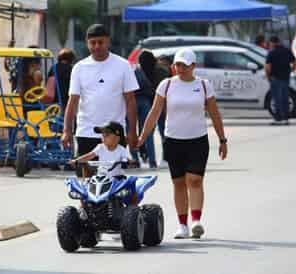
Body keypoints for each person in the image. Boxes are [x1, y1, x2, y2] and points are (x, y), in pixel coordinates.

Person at [137, 48, 228, 239]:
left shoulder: (203, 85)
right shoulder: (166, 85)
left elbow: (214, 113)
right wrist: (143, 136)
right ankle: (182, 225)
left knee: (195, 180)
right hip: (173, 141)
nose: (181, 68)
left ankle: (196, 221)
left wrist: (222, 139)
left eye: (185, 65)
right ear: (173, 66)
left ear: (193, 66)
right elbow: (154, 112)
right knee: (178, 183)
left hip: (197, 140)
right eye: (178, 65)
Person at [62, 24, 139, 163]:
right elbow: (72, 101)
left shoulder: (123, 65)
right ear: (87, 43)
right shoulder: (79, 68)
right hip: (86, 132)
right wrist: (66, 130)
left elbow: (130, 100)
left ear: (108, 41)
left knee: (113, 179)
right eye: (93, 43)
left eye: (100, 42)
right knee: (87, 180)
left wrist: (132, 131)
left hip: (115, 133)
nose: (97, 46)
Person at [69, 121, 138, 205]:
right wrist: (77, 160)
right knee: (84, 187)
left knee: (130, 184)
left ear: (117, 137)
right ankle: (83, 207)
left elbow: (127, 159)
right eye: (102, 135)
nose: (103, 137)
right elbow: (89, 155)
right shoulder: (100, 147)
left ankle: (132, 206)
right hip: (100, 178)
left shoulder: (121, 150)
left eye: (107, 135)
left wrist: (129, 162)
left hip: (117, 178)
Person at [132, 50, 168, 168]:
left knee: (140, 131)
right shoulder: (162, 71)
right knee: (160, 131)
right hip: (159, 104)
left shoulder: (137, 71)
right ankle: (161, 159)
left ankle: (138, 159)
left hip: (141, 101)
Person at [265, 36, 296, 125]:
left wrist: (268, 77)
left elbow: (267, 67)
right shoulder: (287, 51)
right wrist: (290, 71)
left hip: (275, 78)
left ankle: (278, 118)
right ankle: (286, 118)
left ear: (272, 43)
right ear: (279, 42)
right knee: (285, 98)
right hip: (286, 78)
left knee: (277, 99)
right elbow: (295, 64)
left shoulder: (272, 53)